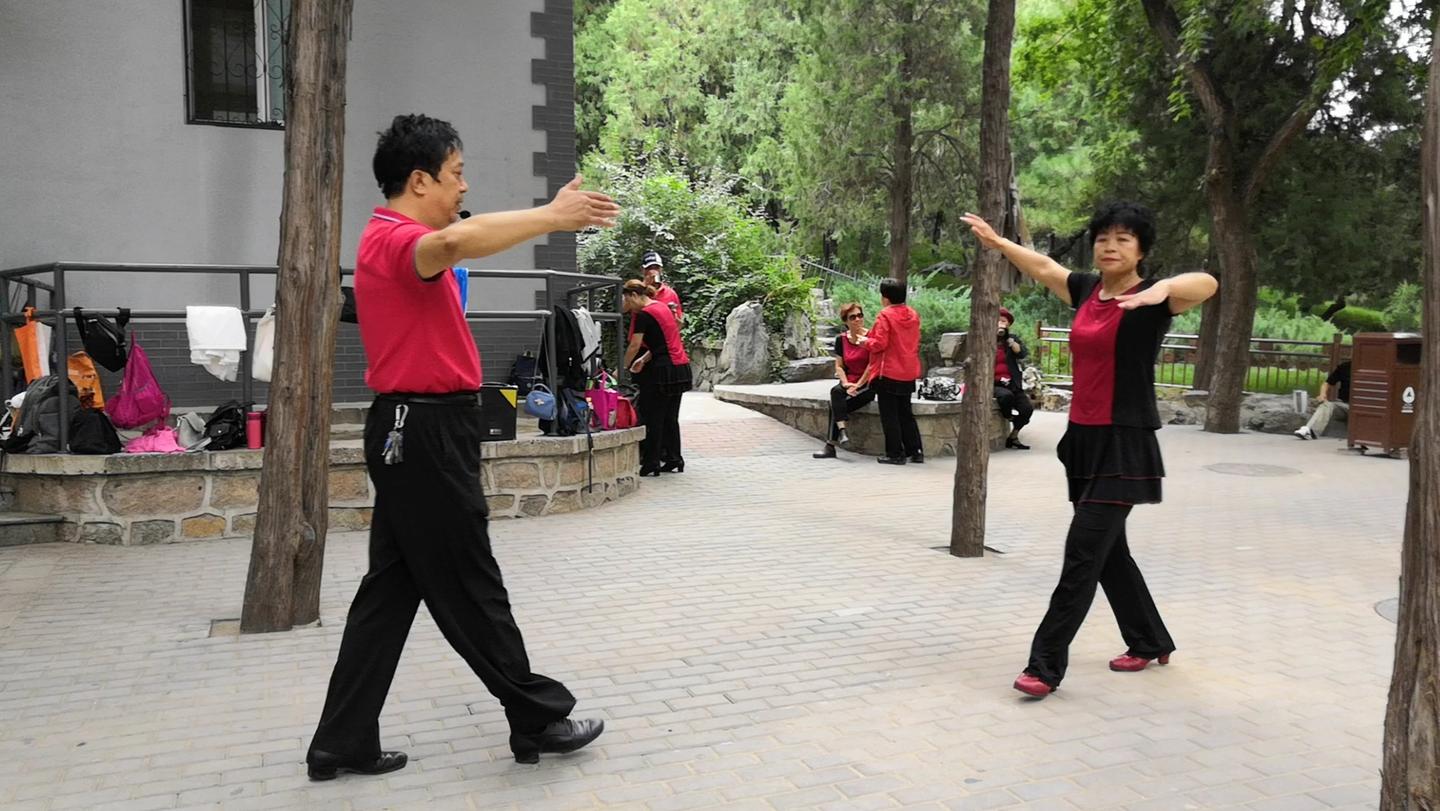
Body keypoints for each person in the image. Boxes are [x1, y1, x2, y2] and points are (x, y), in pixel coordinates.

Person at [305, 114, 618, 780]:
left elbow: (453, 237)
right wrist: (553, 217)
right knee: (473, 581)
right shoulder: (398, 240)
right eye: (456, 174)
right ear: (418, 181)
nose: (463, 185)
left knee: (390, 592)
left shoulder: (392, 237)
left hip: (414, 430)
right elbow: (456, 240)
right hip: (423, 434)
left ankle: (342, 738)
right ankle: (535, 715)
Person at [961, 202, 1218, 699]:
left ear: (1141, 249)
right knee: (1109, 551)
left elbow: (1207, 283)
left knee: (1082, 553)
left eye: (1124, 238)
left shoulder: (1153, 298)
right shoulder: (1085, 290)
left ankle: (1044, 666)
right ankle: (1149, 640)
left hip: (1125, 441)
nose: (1111, 246)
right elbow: (1043, 267)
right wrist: (998, 243)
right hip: (1083, 439)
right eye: (1103, 237)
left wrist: (1161, 290)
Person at [623, 279, 692, 475]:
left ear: (634, 295)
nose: (628, 306)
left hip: (663, 370)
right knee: (670, 417)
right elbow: (667, 340)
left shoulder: (644, 314)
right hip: (679, 368)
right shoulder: (661, 307)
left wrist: (623, 367)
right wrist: (644, 360)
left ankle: (652, 463)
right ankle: (674, 458)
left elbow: (634, 345)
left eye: (628, 300)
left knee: (653, 416)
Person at [860, 278, 923, 465]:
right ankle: (916, 450)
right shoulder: (913, 314)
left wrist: (865, 342)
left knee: (890, 415)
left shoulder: (885, 315)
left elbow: (880, 344)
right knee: (905, 412)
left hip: (887, 371)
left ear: (885, 297)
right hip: (908, 369)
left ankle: (895, 453)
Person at [813, 302, 876, 459]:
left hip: (867, 384)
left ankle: (831, 445)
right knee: (836, 392)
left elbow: (871, 366)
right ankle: (842, 432)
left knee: (834, 406)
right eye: (852, 317)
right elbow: (839, 366)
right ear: (846, 321)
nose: (857, 319)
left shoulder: (871, 337)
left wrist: (858, 385)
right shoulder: (841, 340)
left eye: (860, 316)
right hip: (849, 382)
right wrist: (846, 383)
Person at [995, 307, 1034, 450]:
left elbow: (1021, 353)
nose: (1000, 323)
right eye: (998, 320)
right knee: (1006, 396)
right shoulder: (986, 339)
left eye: (1003, 321)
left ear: (1008, 324)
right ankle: (1010, 418)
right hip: (995, 383)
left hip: (1012, 382)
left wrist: (1011, 343)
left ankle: (1013, 436)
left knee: (1027, 409)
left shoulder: (1012, 340)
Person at [1294, 360, 1351, 440]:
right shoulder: (1345, 366)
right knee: (1326, 405)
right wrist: (1322, 394)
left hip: (1362, 408)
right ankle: (1309, 431)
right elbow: (1326, 384)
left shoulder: (1371, 369)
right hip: (1343, 405)